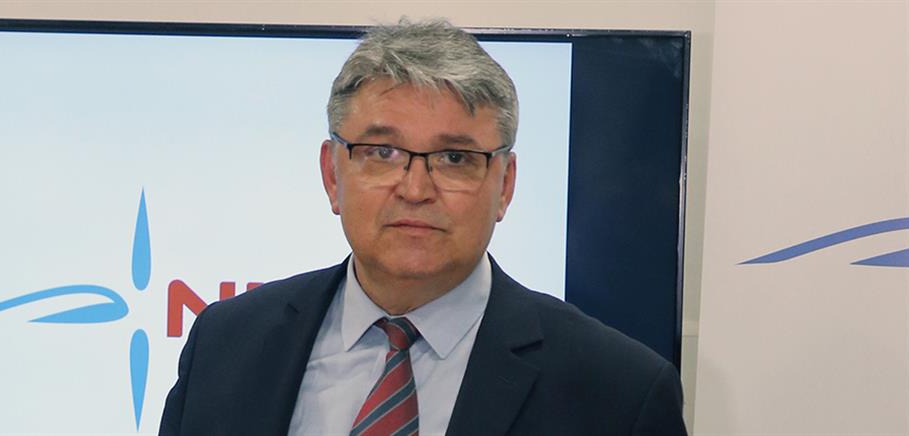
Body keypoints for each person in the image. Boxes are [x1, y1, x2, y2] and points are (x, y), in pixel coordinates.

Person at [159, 18, 687, 436]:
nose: (415, 189)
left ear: (504, 185)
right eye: (382, 152)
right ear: (332, 175)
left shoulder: (620, 394)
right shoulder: (225, 344)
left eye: (455, 158)